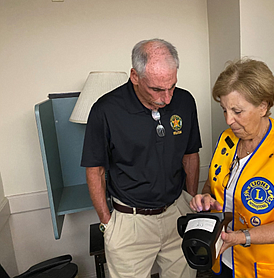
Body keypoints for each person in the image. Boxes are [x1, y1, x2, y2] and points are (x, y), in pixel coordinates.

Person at [81, 38, 201, 278]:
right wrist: (107, 222)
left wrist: (189, 204)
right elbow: (95, 170)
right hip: (129, 221)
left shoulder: (185, 101)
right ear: (135, 76)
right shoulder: (105, 110)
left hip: (176, 212)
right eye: (157, 89)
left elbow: (190, 155)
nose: (167, 98)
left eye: (172, 87)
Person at [190, 59, 274, 278]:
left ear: (263, 106)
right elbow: (213, 185)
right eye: (224, 110)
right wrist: (205, 197)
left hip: (268, 268)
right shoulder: (226, 140)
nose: (229, 120)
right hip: (225, 260)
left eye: (237, 111)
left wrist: (241, 237)